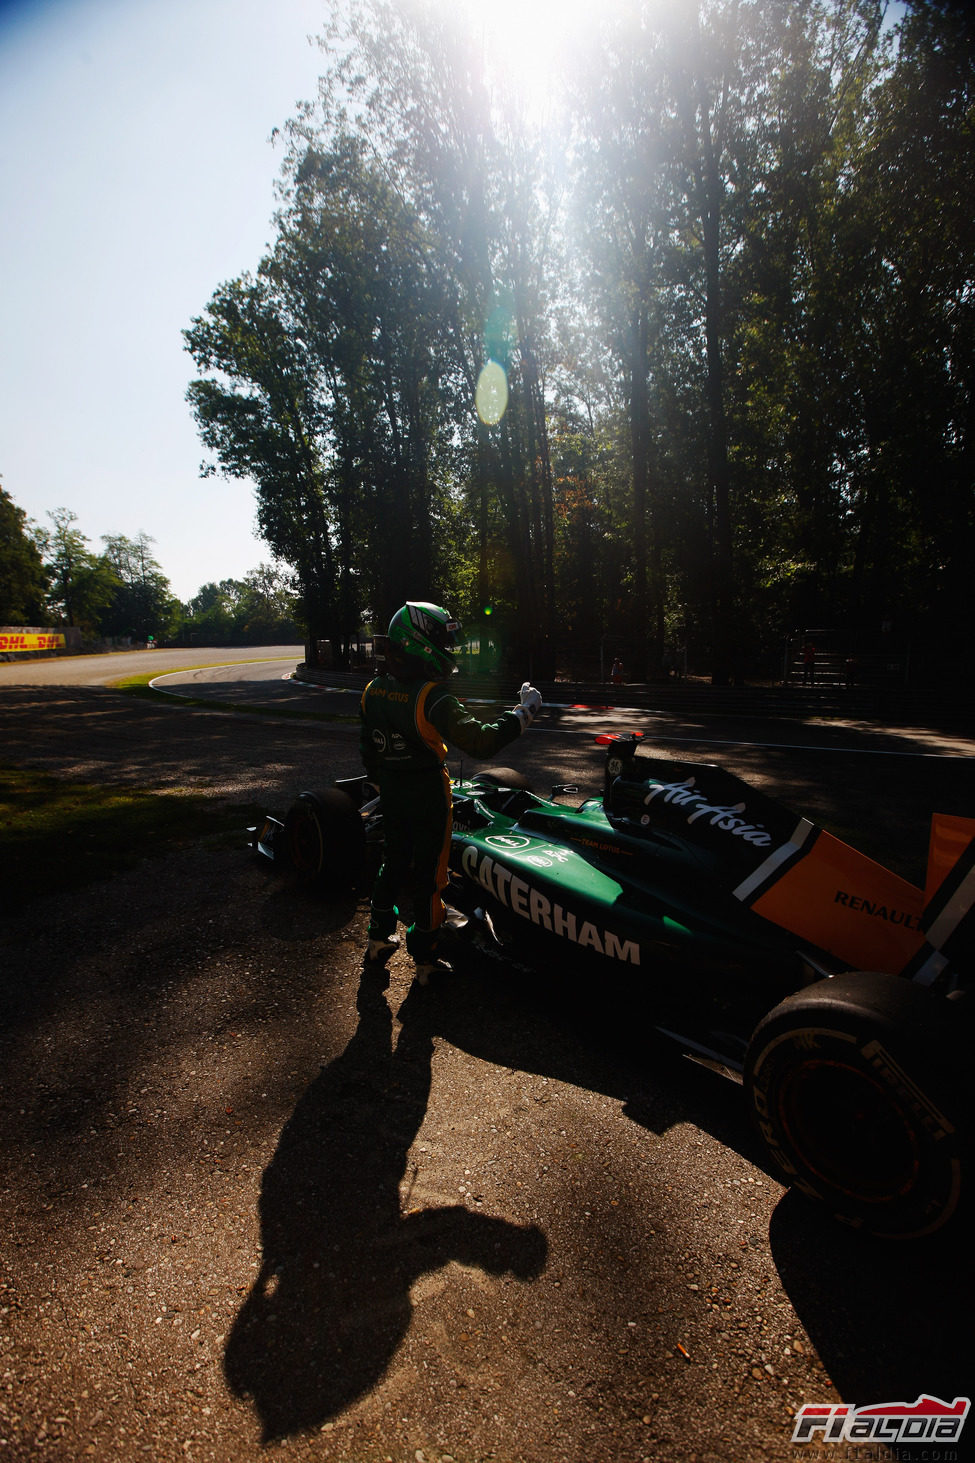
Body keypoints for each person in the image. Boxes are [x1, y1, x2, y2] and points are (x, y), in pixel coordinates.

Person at [359, 602, 542, 983]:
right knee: (430, 875)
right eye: (442, 640)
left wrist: (380, 779)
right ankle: (424, 959)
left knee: (392, 863)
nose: (450, 649)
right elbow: (480, 742)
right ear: (419, 642)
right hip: (427, 792)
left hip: (391, 788)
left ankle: (378, 938)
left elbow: (367, 748)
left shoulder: (372, 690)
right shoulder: (432, 697)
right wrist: (522, 714)